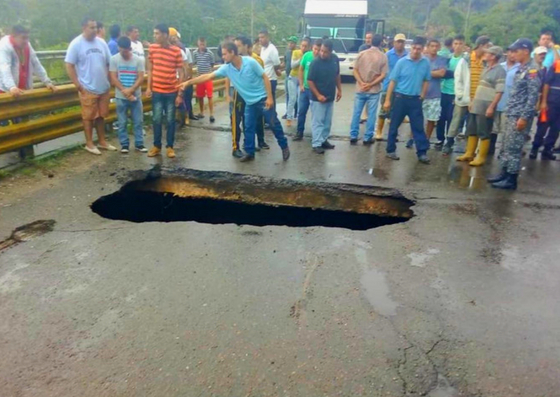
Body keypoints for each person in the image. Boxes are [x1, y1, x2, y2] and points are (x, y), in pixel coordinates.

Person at [178, 42, 290, 162]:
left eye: (225, 54)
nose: (223, 57)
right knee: (248, 127)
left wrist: (270, 98)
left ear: (232, 52)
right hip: (249, 103)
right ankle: (250, 152)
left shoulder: (250, 62)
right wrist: (188, 82)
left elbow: (265, 77)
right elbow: (208, 76)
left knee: (273, 124)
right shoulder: (227, 68)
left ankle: (284, 146)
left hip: (262, 99)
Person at [488, 39, 541, 190]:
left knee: (514, 148)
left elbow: (532, 96)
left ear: (525, 51)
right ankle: (504, 173)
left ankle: (511, 179)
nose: (513, 54)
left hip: (519, 115)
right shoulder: (521, 68)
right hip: (511, 113)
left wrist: (524, 117)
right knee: (506, 145)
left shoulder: (532, 70)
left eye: (516, 51)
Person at [65, 17, 116, 155]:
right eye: (91, 27)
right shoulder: (76, 44)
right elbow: (69, 65)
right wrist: (78, 85)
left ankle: (102, 141)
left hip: (103, 86)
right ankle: (89, 143)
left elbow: (108, 62)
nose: (95, 30)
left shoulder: (101, 43)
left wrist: (110, 80)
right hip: (87, 86)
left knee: (101, 116)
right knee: (88, 117)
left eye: (96, 27)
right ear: (84, 28)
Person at [383, 36, 431, 164]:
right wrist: (387, 100)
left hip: (415, 100)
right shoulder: (402, 62)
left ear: (422, 49)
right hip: (400, 98)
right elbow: (393, 81)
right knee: (394, 126)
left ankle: (422, 152)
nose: (416, 51)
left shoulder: (425, 63)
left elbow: (427, 80)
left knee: (418, 127)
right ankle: (390, 150)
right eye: (414, 48)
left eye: (419, 49)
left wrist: (422, 94)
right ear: (411, 48)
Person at [457, 46, 505, 166]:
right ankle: (469, 153)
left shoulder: (500, 70)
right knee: (472, 129)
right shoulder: (486, 68)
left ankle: (481, 157)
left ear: (494, 56)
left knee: (484, 131)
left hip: (486, 105)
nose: (485, 54)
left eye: (488, 53)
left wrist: (492, 107)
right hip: (477, 103)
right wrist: (472, 101)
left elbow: (500, 91)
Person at [444, 36, 491, 154]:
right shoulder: (466, 59)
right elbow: (458, 77)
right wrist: (459, 94)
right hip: (464, 96)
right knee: (456, 120)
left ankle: (471, 149)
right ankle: (448, 143)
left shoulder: (487, 62)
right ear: (481, 45)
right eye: (487, 46)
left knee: (474, 123)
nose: (488, 49)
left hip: (478, 98)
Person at [146, 24, 184, 158]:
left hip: (171, 91)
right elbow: (149, 69)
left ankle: (170, 146)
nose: (155, 36)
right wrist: (148, 87)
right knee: (156, 118)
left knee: (170, 119)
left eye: (157, 33)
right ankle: (157, 145)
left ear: (165, 35)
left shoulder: (176, 51)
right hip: (157, 90)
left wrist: (180, 93)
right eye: (154, 33)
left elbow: (181, 72)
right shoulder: (152, 48)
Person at [228, 36, 268, 158]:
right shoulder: (232, 59)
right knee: (236, 119)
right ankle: (235, 147)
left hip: (249, 94)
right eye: (235, 45)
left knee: (248, 120)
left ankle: (248, 144)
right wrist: (227, 94)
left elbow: (261, 77)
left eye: (239, 45)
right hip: (237, 92)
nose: (237, 48)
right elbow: (226, 76)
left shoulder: (252, 60)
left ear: (247, 46)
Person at [109, 36, 146, 154]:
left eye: (125, 50)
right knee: (122, 122)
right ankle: (124, 144)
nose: (124, 53)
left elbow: (141, 77)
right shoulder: (114, 59)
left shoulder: (138, 60)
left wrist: (131, 90)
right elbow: (113, 77)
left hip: (135, 94)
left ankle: (139, 143)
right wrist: (124, 90)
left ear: (129, 48)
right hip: (121, 95)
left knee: (138, 121)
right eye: (121, 50)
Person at [349, 34, 388, 145]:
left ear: (371, 42)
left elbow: (355, 70)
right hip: (374, 90)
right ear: (381, 43)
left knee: (356, 113)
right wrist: (370, 84)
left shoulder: (362, 54)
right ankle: (367, 137)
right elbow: (383, 75)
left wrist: (362, 83)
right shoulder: (383, 57)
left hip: (360, 88)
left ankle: (353, 135)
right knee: (371, 115)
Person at [0, 25, 56, 96]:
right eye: (23, 38)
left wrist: (47, 82)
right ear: (13, 36)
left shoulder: (27, 45)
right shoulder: (4, 46)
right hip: (4, 90)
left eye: (27, 38)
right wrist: (12, 87)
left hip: (22, 88)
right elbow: (4, 68)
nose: (26, 41)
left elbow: (36, 64)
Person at [307, 40, 342, 154]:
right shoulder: (315, 63)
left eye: (325, 52)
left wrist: (339, 90)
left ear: (330, 52)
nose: (322, 53)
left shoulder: (334, 59)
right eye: (321, 50)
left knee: (327, 121)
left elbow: (337, 75)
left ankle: (323, 140)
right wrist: (318, 95)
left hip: (330, 95)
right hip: (317, 98)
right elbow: (310, 81)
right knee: (318, 121)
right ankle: (316, 143)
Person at [375, 33, 408, 140]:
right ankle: (379, 131)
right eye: (398, 42)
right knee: (384, 110)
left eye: (402, 42)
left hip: (401, 88)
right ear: (394, 43)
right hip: (387, 86)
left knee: (397, 113)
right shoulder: (388, 55)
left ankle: (392, 134)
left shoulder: (408, 56)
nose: (400, 44)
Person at [437, 35, 464, 152]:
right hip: (443, 91)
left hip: (455, 93)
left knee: (451, 118)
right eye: (455, 44)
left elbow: (461, 76)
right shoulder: (447, 59)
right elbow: (442, 73)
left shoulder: (465, 60)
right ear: (452, 45)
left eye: (460, 44)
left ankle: (449, 140)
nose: (457, 46)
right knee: (441, 117)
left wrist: (449, 73)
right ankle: (440, 139)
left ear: (464, 45)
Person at [530, 54, 560, 160]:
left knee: (556, 129)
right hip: (551, 102)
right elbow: (546, 84)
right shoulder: (557, 65)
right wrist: (543, 101)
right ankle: (535, 148)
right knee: (542, 126)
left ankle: (547, 149)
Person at [420, 39, 448, 145]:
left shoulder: (442, 60)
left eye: (436, 46)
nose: (434, 48)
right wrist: (433, 73)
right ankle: (414, 138)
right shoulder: (423, 59)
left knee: (432, 119)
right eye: (432, 46)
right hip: (421, 93)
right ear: (427, 47)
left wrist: (426, 73)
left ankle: (426, 139)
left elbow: (441, 73)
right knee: (418, 118)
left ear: (439, 47)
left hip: (435, 94)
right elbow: (418, 73)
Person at [492, 48, 519, 157]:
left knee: (505, 131)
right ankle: (489, 151)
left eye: (515, 52)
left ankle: (503, 153)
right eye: (511, 51)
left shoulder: (520, 68)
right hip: (495, 102)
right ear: (507, 52)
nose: (513, 54)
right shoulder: (499, 66)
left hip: (509, 105)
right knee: (492, 130)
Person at [294, 39, 321, 141]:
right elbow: (301, 69)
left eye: (318, 49)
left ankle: (316, 135)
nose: (316, 52)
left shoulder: (321, 59)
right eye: (315, 49)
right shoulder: (307, 56)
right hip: (305, 89)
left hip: (316, 91)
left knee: (316, 114)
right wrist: (300, 84)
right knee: (301, 112)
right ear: (312, 48)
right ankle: (299, 132)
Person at [169, 28, 195, 126]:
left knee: (183, 100)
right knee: (178, 101)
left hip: (180, 79)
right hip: (174, 79)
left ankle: (185, 117)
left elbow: (187, 66)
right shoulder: (170, 50)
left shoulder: (183, 51)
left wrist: (187, 78)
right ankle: (178, 118)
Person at [193, 37, 216, 122]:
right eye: (200, 44)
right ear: (198, 44)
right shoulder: (195, 53)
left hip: (207, 77)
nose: (202, 46)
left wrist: (210, 73)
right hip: (199, 77)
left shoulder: (209, 53)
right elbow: (194, 63)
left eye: (203, 44)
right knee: (200, 96)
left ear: (205, 44)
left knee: (210, 96)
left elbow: (212, 64)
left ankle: (211, 114)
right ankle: (202, 112)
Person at [287, 37, 306, 127]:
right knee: (292, 98)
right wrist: (301, 59)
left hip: (302, 79)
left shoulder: (309, 55)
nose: (303, 48)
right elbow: (292, 65)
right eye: (302, 46)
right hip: (293, 77)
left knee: (300, 100)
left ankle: (299, 119)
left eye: (305, 46)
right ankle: (289, 117)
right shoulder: (296, 52)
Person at [259, 30, 281, 110]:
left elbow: (277, 64)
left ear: (267, 38)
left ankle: (273, 121)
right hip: (264, 79)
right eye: (259, 38)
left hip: (271, 80)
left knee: (270, 102)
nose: (260, 39)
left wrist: (277, 71)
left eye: (262, 37)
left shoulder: (272, 49)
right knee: (264, 102)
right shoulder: (262, 48)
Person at [283, 36, 297, 120]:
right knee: (288, 94)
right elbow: (284, 63)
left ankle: (296, 111)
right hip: (287, 75)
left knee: (294, 96)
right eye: (289, 42)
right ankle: (288, 112)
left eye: (292, 43)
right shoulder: (287, 53)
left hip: (294, 76)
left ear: (295, 44)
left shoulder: (297, 53)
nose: (290, 44)